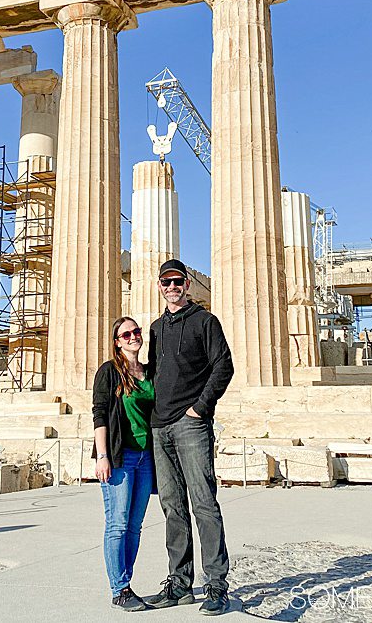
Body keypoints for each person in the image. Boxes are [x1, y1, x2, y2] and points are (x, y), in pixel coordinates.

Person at [144, 259, 235, 616]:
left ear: (188, 284)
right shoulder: (154, 328)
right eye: (166, 282)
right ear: (159, 286)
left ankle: (216, 585)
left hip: (191, 424)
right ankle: (179, 583)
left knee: (203, 504)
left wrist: (200, 408)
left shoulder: (204, 321)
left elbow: (223, 365)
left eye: (177, 281)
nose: (172, 287)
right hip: (160, 426)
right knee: (172, 507)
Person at [93, 316, 157, 612]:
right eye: (126, 334)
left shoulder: (148, 372)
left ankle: (126, 584)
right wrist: (102, 455)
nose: (133, 337)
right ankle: (118, 588)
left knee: (134, 526)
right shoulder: (109, 372)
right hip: (120, 456)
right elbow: (100, 415)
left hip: (145, 457)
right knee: (117, 524)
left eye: (136, 332)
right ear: (117, 341)